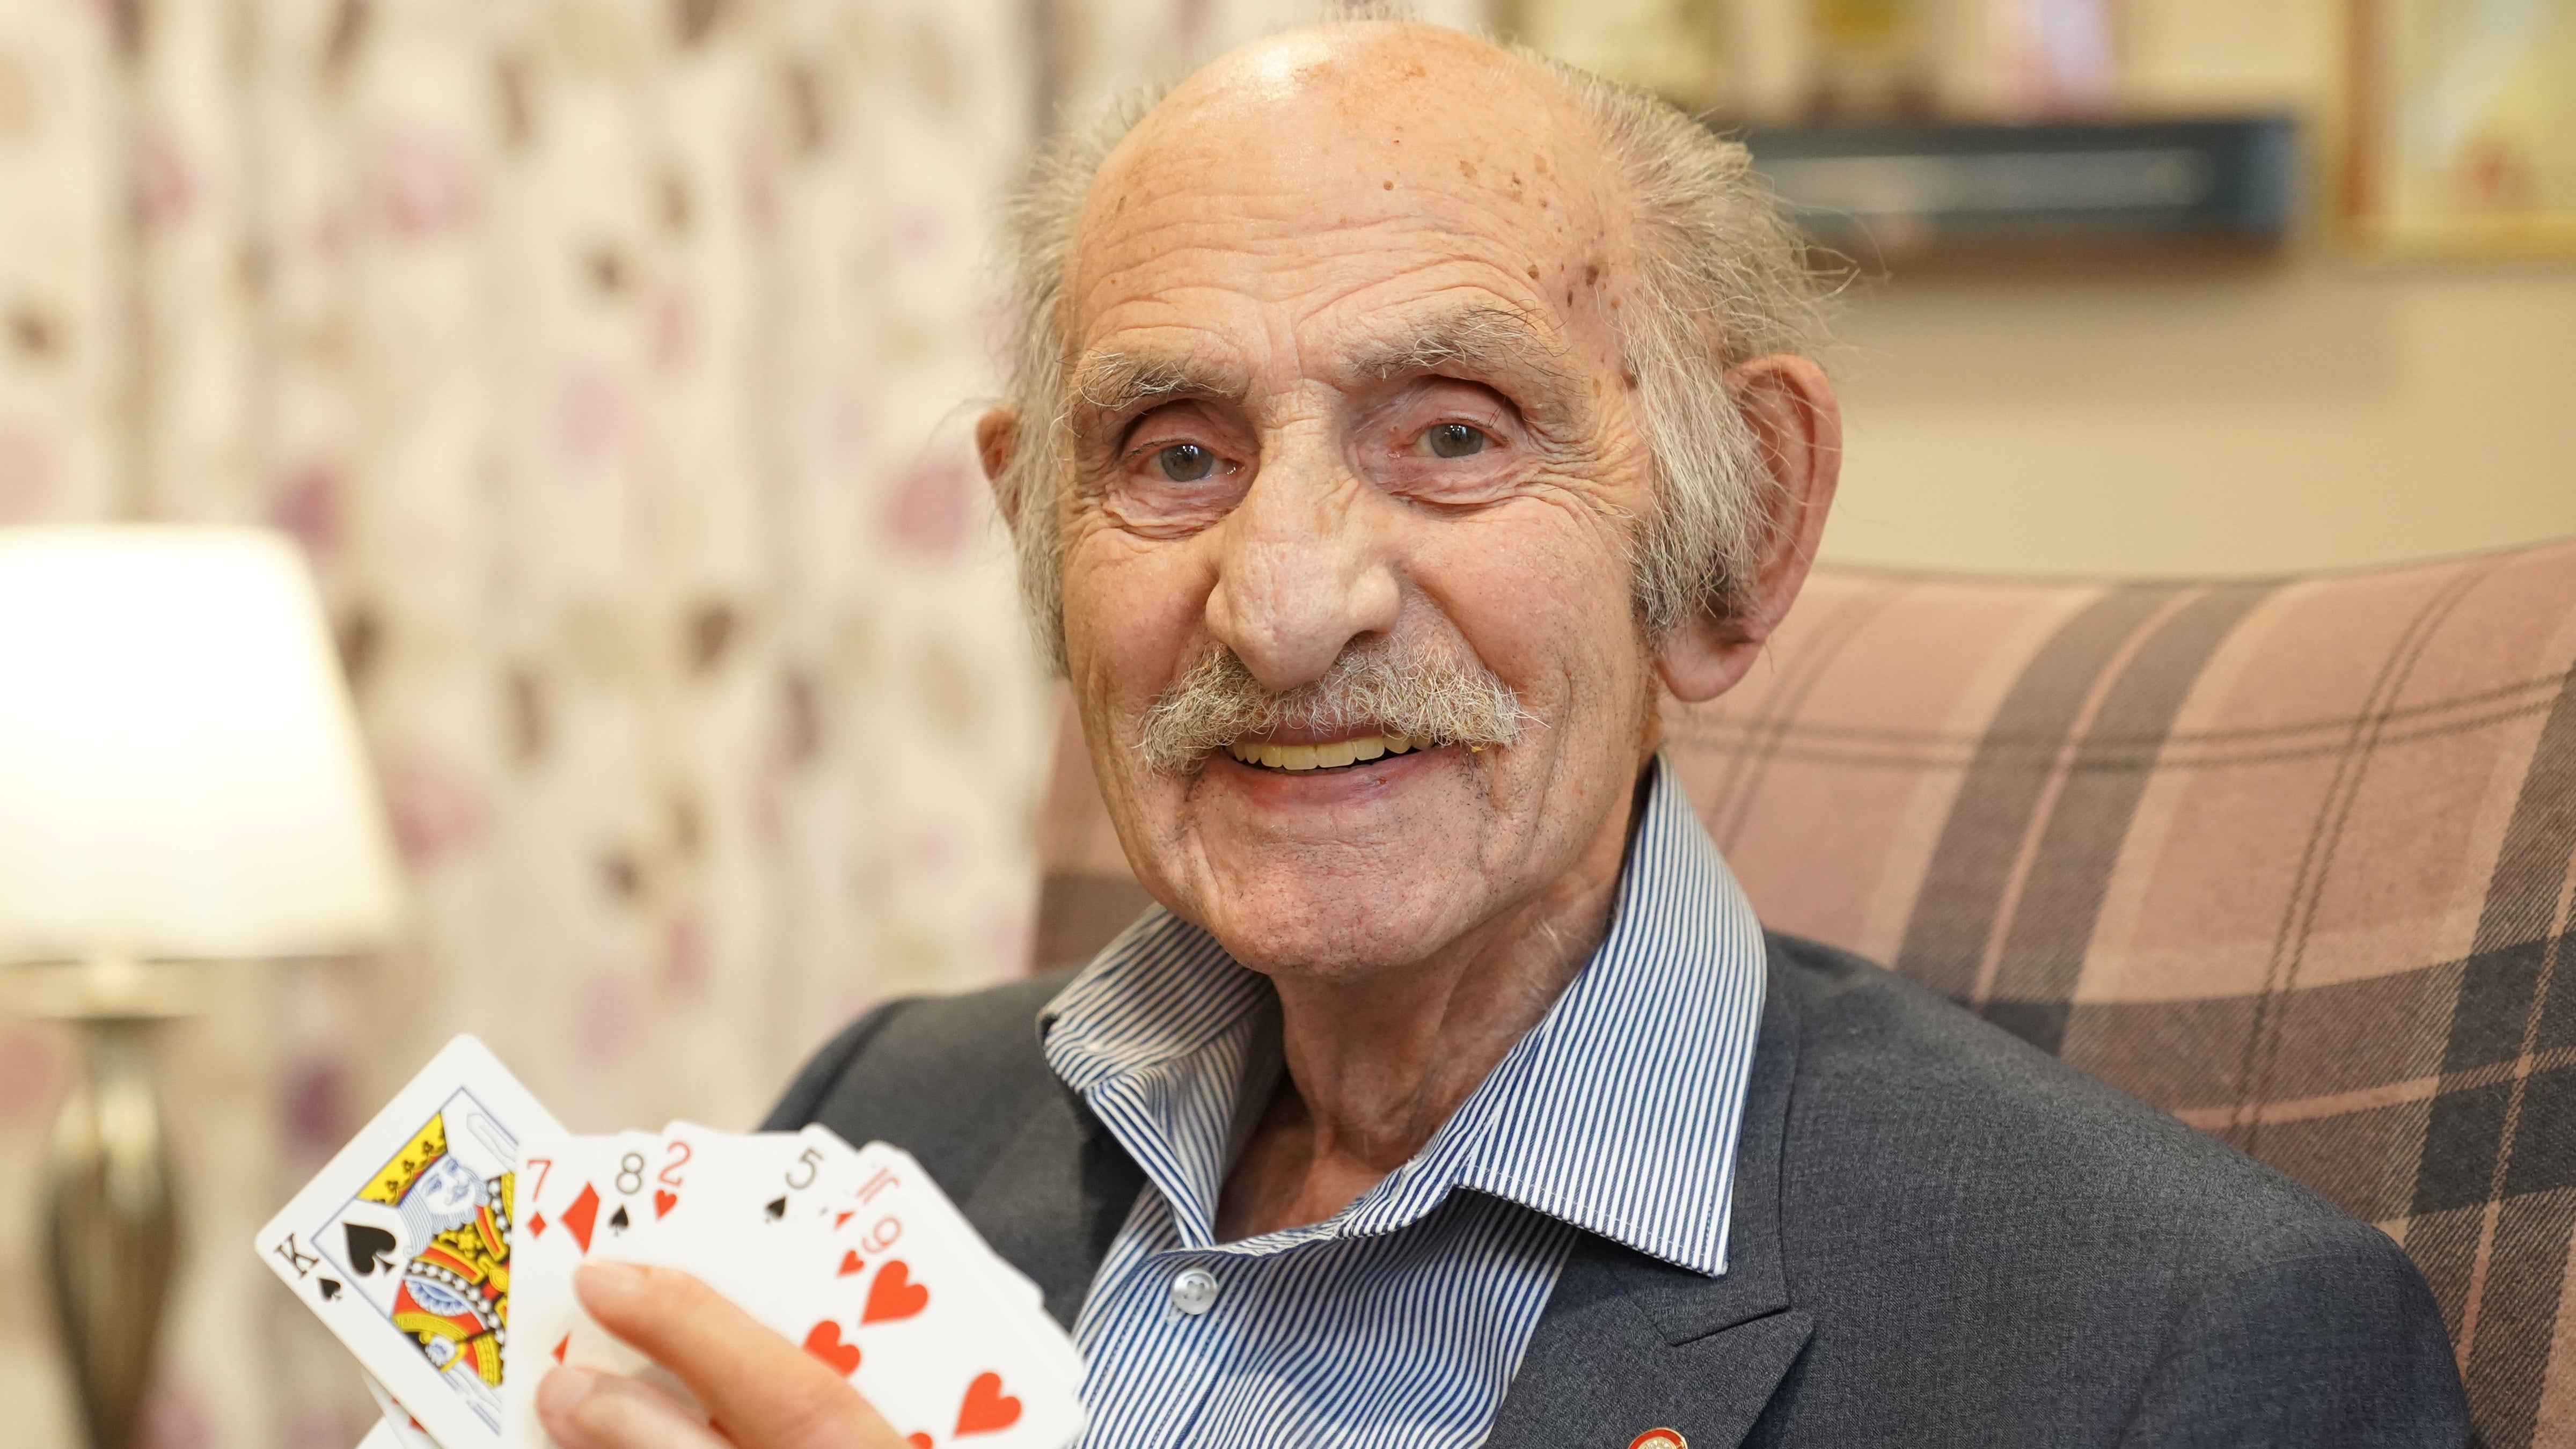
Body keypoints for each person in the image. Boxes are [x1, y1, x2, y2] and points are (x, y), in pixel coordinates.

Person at [530, 20, 2470, 1449]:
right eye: (1176, 456)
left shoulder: (2187, 1354)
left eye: (1455, 432)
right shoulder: (883, 1117)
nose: (1286, 603)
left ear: (1736, 536)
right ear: (1039, 531)